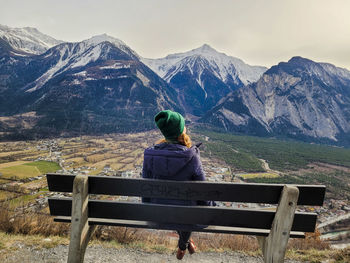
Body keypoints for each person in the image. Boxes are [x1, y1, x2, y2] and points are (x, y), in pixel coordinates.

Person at [142, 109, 208, 260]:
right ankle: (183, 245)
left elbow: (145, 187)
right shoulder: (192, 156)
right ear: (181, 130)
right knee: (187, 208)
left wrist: (147, 207)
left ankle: (184, 243)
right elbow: (204, 192)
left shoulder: (149, 155)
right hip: (186, 215)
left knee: (175, 204)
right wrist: (210, 207)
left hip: (157, 213)